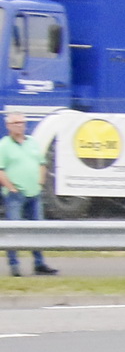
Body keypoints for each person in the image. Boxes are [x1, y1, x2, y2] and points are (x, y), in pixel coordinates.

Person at [0, 109, 57, 278]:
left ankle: (39, 263)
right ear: (9, 125)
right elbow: (1, 170)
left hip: (34, 194)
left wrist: (40, 183)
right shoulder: (4, 145)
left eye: (22, 122)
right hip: (15, 195)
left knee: (36, 230)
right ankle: (14, 265)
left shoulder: (32, 142)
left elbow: (41, 163)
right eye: (17, 123)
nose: (21, 126)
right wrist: (10, 187)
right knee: (15, 231)